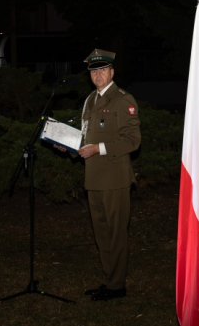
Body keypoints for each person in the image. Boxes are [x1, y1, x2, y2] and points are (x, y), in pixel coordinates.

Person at [60, 49, 141, 300]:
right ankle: (109, 280)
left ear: (112, 72)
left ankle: (117, 286)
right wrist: (71, 147)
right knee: (102, 234)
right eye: (94, 71)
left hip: (114, 178)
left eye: (102, 70)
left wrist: (99, 149)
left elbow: (133, 141)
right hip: (93, 177)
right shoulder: (90, 100)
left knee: (116, 234)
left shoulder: (123, 100)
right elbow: (86, 135)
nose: (98, 75)